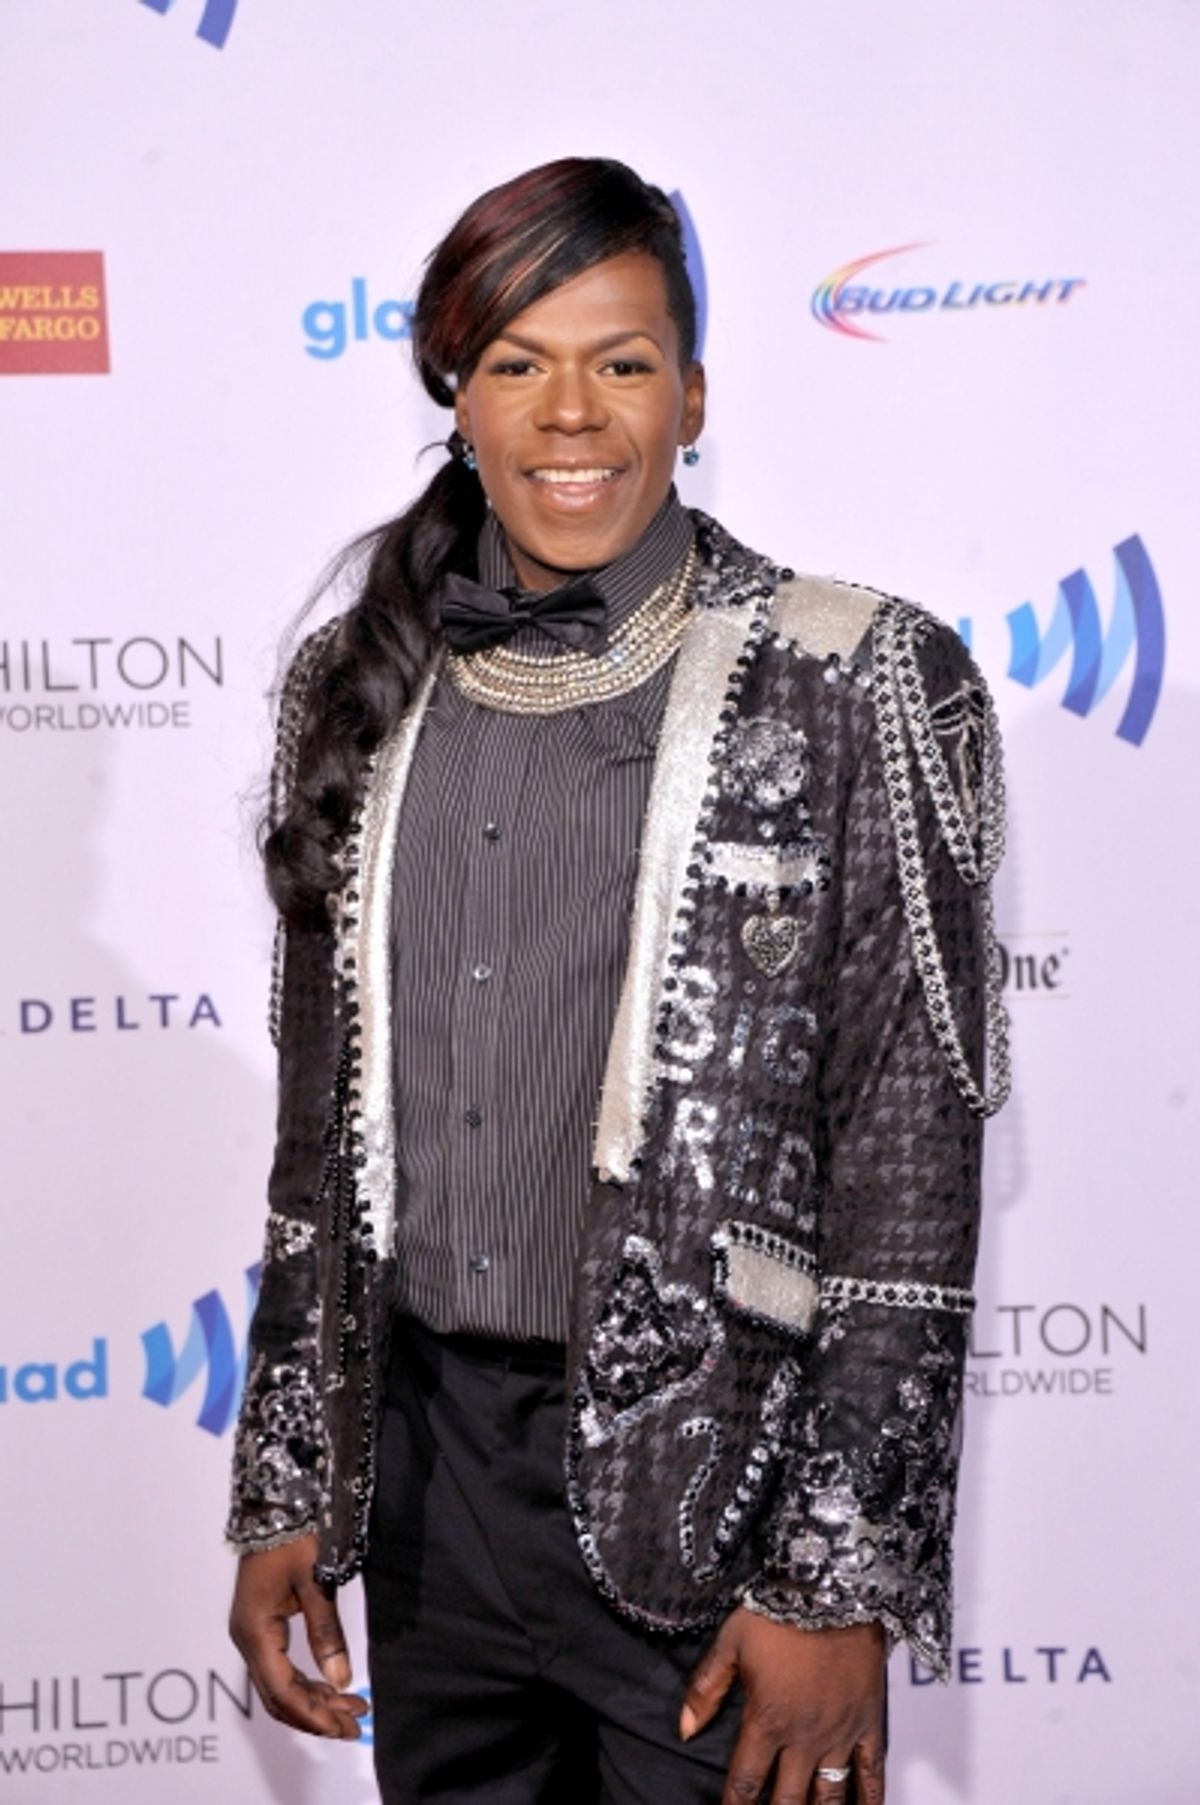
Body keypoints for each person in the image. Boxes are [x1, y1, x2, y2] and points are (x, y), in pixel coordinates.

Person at [226, 157, 1009, 1805]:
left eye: (623, 361)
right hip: (428, 1504)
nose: (570, 413)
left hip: (725, 1520)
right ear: (458, 399)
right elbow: (316, 1151)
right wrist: (289, 1481)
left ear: (693, 394)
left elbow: (908, 1169)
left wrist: (836, 1579)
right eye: (518, 363)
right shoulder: (357, 685)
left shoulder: (854, 675)